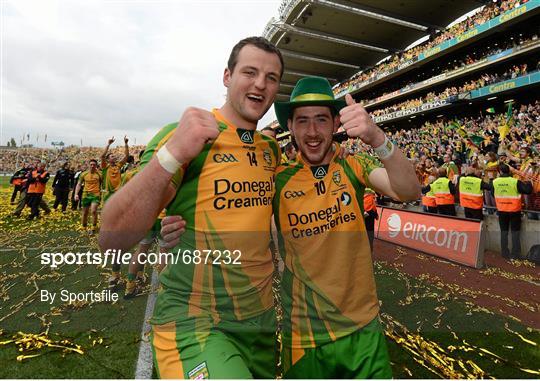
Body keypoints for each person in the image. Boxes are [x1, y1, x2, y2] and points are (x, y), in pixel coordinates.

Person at [99, 36, 284, 379]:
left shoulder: (270, 150)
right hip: (196, 320)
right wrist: (174, 153)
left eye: (271, 77)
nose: (260, 83)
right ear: (227, 76)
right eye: (250, 72)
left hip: (260, 321)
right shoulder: (186, 134)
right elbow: (112, 237)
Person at [272, 76, 419, 378]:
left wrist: (376, 137)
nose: (312, 132)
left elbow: (409, 191)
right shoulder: (276, 179)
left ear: (337, 123)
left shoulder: (354, 165)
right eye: (302, 121)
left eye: (322, 120)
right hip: (306, 335)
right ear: (290, 127)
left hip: (363, 327)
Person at [491, 164, 532, 259]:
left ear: (500, 172)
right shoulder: (515, 181)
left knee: (504, 232)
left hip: (501, 210)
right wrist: (529, 182)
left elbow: (493, 194)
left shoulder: (495, 182)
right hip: (514, 211)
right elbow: (527, 191)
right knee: (515, 232)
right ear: (509, 171)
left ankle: (504, 253)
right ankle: (515, 254)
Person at [74, 159, 102, 234]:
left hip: (95, 195)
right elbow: (79, 184)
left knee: (93, 211)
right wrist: (76, 194)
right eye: (91, 164)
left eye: (94, 165)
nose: (92, 166)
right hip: (85, 195)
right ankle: (84, 226)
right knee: (85, 212)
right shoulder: (83, 174)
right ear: (89, 165)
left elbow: (103, 184)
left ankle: (93, 227)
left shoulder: (99, 174)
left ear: (96, 166)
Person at [101, 136, 129, 203]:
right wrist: (109, 144)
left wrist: (126, 144)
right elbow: (102, 156)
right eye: (112, 156)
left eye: (114, 156)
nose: (114, 157)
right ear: (108, 159)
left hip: (118, 192)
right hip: (108, 193)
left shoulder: (118, 166)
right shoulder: (105, 167)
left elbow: (126, 156)